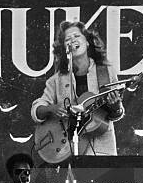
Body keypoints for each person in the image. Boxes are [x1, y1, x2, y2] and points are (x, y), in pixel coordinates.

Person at [31, 20, 124, 158]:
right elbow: (37, 109)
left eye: (77, 36)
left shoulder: (106, 72)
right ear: (64, 48)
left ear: (87, 42)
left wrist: (115, 106)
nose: (72, 40)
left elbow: (115, 114)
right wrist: (51, 108)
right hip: (67, 151)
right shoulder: (56, 80)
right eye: (68, 39)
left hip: (102, 151)